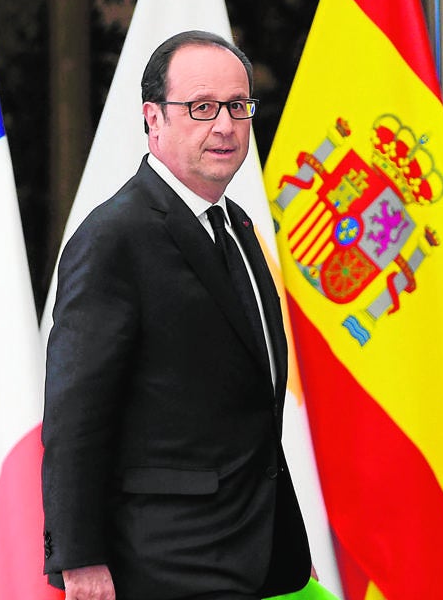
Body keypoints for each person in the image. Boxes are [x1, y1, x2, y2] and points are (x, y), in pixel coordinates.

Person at [42, 30, 310, 599]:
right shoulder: (114, 237)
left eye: (238, 106)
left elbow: (251, 411)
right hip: (164, 560)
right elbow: (76, 416)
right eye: (202, 108)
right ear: (153, 118)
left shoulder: (237, 225)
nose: (225, 126)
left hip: (252, 554)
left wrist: (285, 542)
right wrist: (80, 558)